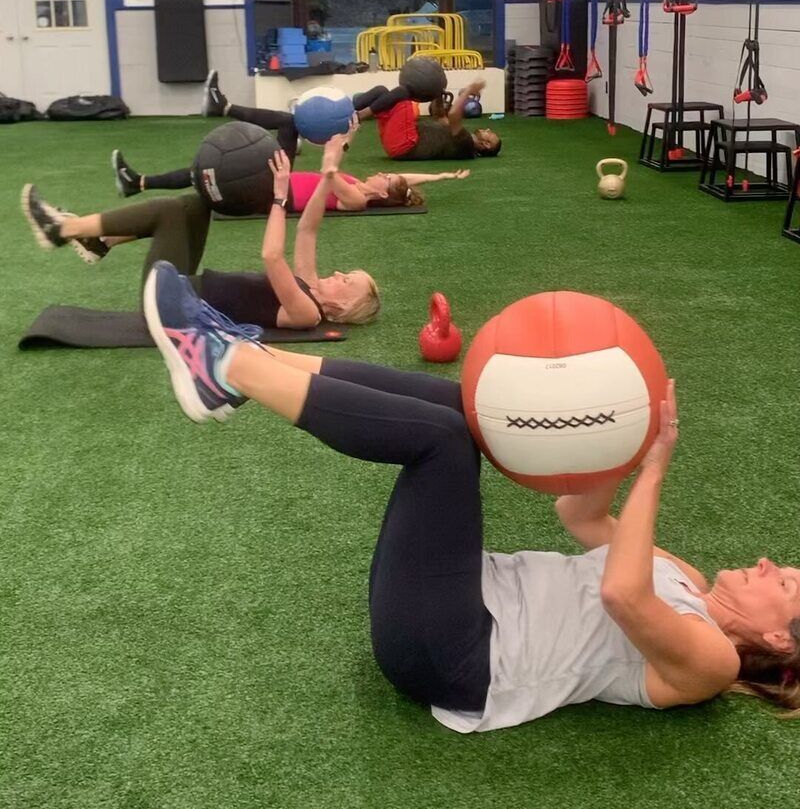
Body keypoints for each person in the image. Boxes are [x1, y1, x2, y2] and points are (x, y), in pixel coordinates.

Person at [140, 276, 800, 729]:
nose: (770, 565)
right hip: (457, 599)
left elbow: (623, 595)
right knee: (469, 410)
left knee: (444, 445)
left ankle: (223, 365)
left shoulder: (714, 664)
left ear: (778, 637)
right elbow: (580, 516)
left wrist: (654, 467)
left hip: (454, 654)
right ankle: (253, 357)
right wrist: (626, 442)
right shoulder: (684, 576)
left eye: (786, 584)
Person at [21, 134, 380, 330]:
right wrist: (328, 171)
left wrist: (279, 196)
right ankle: (100, 241)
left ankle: (62, 229)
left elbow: (272, 257)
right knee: (196, 204)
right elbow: (308, 230)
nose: (338, 273)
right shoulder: (310, 286)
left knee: (170, 212)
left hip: (167, 305)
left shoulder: (308, 312)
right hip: (181, 287)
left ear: (345, 306)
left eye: (346, 280)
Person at [110, 70, 471, 210]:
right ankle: (138, 183)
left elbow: (329, 174)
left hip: (274, 190)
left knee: (210, 169)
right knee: (288, 123)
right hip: (280, 180)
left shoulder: (358, 200)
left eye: (386, 179)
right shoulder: (369, 189)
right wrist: (440, 176)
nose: (381, 175)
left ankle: (223, 108)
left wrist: (345, 140)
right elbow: (404, 182)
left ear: (382, 194)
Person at [354, 79, 502, 162]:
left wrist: (469, 90)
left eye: (490, 134)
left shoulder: (467, 144)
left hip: (405, 145)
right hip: (399, 140)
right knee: (381, 91)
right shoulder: (456, 139)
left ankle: (359, 117)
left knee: (403, 94)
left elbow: (453, 114)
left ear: (486, 145)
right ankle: (349, 111)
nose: (488, 130)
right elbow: (440, 116)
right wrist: (437, 91)